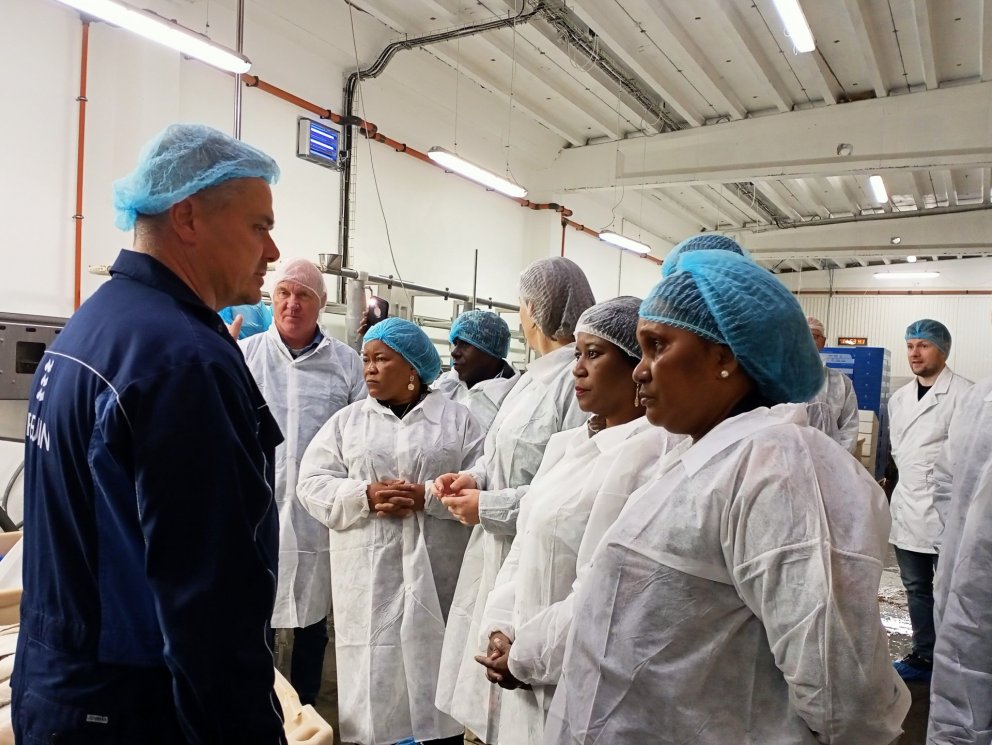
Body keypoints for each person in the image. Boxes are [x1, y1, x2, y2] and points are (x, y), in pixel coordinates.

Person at [544, 250, 909, 745]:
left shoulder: (778, 469)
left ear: (725, 357)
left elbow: (842, 695)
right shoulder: (698, 456)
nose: (639, 372)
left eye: (657, 346)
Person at [12, 124, 286, 742]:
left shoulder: (95, 325)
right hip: (133, 704)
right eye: (259, 226)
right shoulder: (181, 361)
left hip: (60, 683)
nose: (272, 251)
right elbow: (208, 599)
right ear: (187, 217)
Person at [474, 296, 683, 745]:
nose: (578, 369)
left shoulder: (650, 457)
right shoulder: (566, 446)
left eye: (594, 354)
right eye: (577, 354)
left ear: (636, 365)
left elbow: (603, 593)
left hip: (581, 677)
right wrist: (500, 629)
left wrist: (526, 656)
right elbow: (524, 546)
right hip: (524, 665)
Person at [297, 317, 485, 745]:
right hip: (369, 583)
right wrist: (364, 495)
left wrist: (428, 496)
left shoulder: (457, 421)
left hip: (439, 578)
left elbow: (484, 478)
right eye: (366, 359)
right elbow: (311, 483)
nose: (369, 369)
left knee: (436, 688)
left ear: (412, 368)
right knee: (373, 692)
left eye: (381, 359)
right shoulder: (347, 423)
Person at [433, 257, 594, 743]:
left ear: (537, 310)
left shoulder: (575, 383)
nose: (520, 316)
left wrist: (488, 507)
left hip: (537, 559)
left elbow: (569, 490)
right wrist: (473, 476)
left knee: (520, 696)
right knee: (484, 691)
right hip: (493, 553)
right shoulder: (530, 379)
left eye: (523, 304)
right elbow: (499, 450)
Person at [240, 258, 366, 706]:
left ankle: (307, 703)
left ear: (321, 303)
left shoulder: (346, 364)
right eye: (284, 293)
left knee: (315, 618)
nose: (292, 303)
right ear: (271, 298)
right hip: (257, 507)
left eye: (304, 295)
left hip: (320, 514)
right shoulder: (245, 355)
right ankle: (261, 704)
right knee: (255, 612)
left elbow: (362, 436)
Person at [888, 318, 971, 682]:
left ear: (943, 350)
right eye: (910, 346)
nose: (914, 353)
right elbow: (899, 453)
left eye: (923, 345)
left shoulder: (966, 395)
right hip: (908, 508)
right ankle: (925, 655)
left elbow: (971, 458)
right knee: (916, 588)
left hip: (949, 512)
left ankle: (956, 659)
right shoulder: (898, 399)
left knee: (954, 590)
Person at [927, 376, 992, 742]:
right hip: (967, 579)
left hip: (966, 578)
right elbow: (945, 481)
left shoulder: (975, 396)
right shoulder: (977, 399)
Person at [433, 309, 519, 432]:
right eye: (455, 343)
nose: (454, 352)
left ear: (491, 349)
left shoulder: (516, 397)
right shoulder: (445, 383)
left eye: (465, 344)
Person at [805, 316, 861, 455]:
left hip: (831, 459)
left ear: (823, 342)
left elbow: (849, 427)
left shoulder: (841, 382)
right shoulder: (781, 380)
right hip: (790, 460)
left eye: (814, 336)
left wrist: (837, 460)